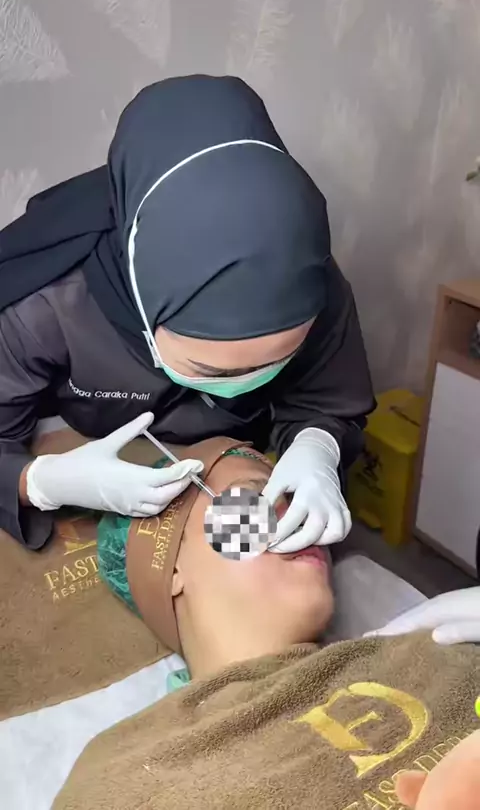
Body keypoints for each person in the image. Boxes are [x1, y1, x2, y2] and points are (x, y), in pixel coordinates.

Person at [0, 74, 375, 552]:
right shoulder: (47, 301)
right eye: (209, 369)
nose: (240, 383)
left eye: (275, 362)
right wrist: (40, 482)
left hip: (243, 453)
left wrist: (317, 446)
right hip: (89, 455)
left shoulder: (313, 283)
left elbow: (329, 403)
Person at [53, 439, 480, 809]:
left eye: (299, 500)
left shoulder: (441, 649)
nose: (298, 520)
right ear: (167, 566)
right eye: (252, 499)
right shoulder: (124, 777)